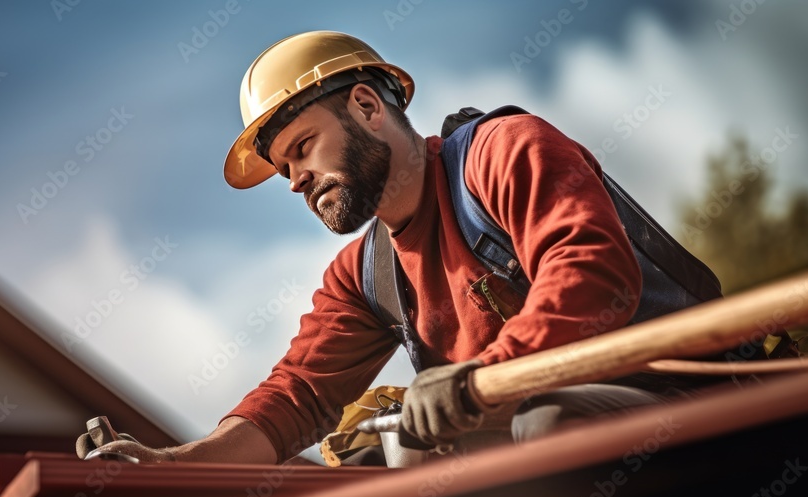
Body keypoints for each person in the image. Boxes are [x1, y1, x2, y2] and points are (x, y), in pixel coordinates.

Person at [81, 31, 719, 464]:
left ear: (365, 106)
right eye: (282, 170)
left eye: (302, 147)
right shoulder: (363, 277)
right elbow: (297, 396)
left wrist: (484, 376)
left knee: (544, 420)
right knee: (385, 460)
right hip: (535, 447)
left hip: (691, 406)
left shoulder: (500, 153)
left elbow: (591, 272)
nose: (296, 180)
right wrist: (175, 465)